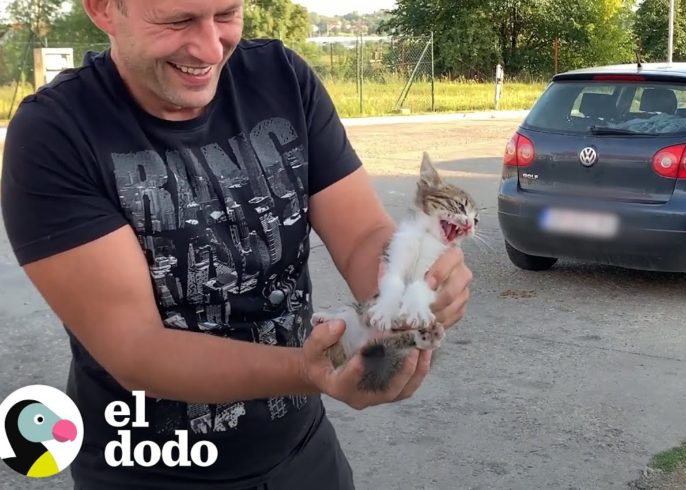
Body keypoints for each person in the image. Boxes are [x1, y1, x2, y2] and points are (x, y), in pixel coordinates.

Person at [0, 1, 472, 489]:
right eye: (177, 20)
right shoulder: (56, 134)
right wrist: (311, 371)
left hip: (304, 457)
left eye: (226, 13)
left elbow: (361, 237)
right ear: (102, 9)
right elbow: (136, 348)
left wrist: (412, 283)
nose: (210, 47)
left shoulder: (281, 77)